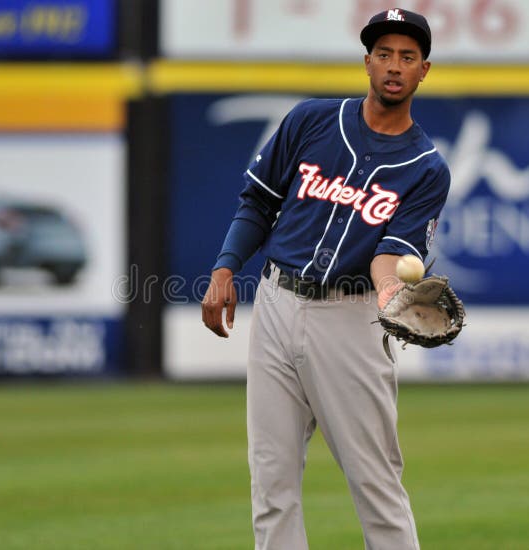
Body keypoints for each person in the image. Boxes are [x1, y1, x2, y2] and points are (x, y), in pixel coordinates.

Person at [201, 8, 449, 549]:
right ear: (367, 62)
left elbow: (393, 253)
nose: (394, 65)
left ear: (423, 70)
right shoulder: (311, 120)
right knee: (271, 481)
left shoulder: (426, 167)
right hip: (276, 304)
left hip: (351, 319)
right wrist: (225, 267)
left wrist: (390, 291)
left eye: (407, 57)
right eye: (384, 53)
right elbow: (257, 202)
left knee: (375, 482)